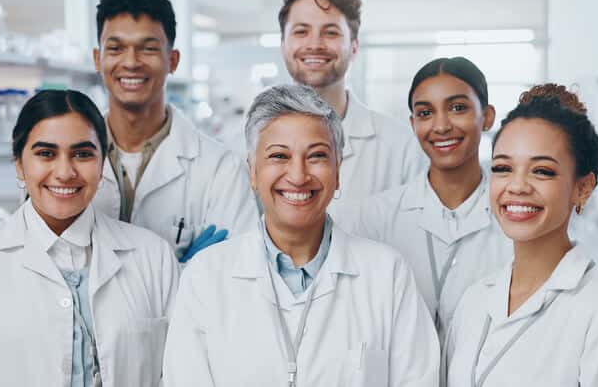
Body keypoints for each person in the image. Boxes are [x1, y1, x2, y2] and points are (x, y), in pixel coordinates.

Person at [162, 84, 439, 386]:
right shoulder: (206, 277)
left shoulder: (387, 276)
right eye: (279, 156)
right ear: (253, 172)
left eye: (317, 156)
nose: (298, 175)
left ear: (338, 171)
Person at [0, 90, 179, 386]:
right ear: (19, 164)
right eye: (46, 154)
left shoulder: (153, 258)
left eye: (83, 154)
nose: (64, 172)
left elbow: (176, 375)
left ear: (103, 164)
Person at [445, 84, 598, 387]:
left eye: (542, 171)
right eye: (503, 168)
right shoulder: (474, 300)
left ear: (583, 188)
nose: (517, 186)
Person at [338, 57, 512, 345]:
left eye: (458, 108)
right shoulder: (374, 218)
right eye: (425, 113)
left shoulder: (512, 218)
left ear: (488, 116)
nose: (441, 126)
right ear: (413, 123)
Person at [90, 0, 258, 262]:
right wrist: (185, 270)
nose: (131, 62)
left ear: (173, 60)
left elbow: (236, 273)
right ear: (98, 59)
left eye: (148, 48)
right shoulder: (69, 158)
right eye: (116, 48)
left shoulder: (219, 169)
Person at [278, 0, 426, 216]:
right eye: (301, 31)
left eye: (331, 32)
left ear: (354, 47)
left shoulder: (401, 147)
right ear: (283, 45)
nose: (315, 44)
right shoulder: (247, 144)